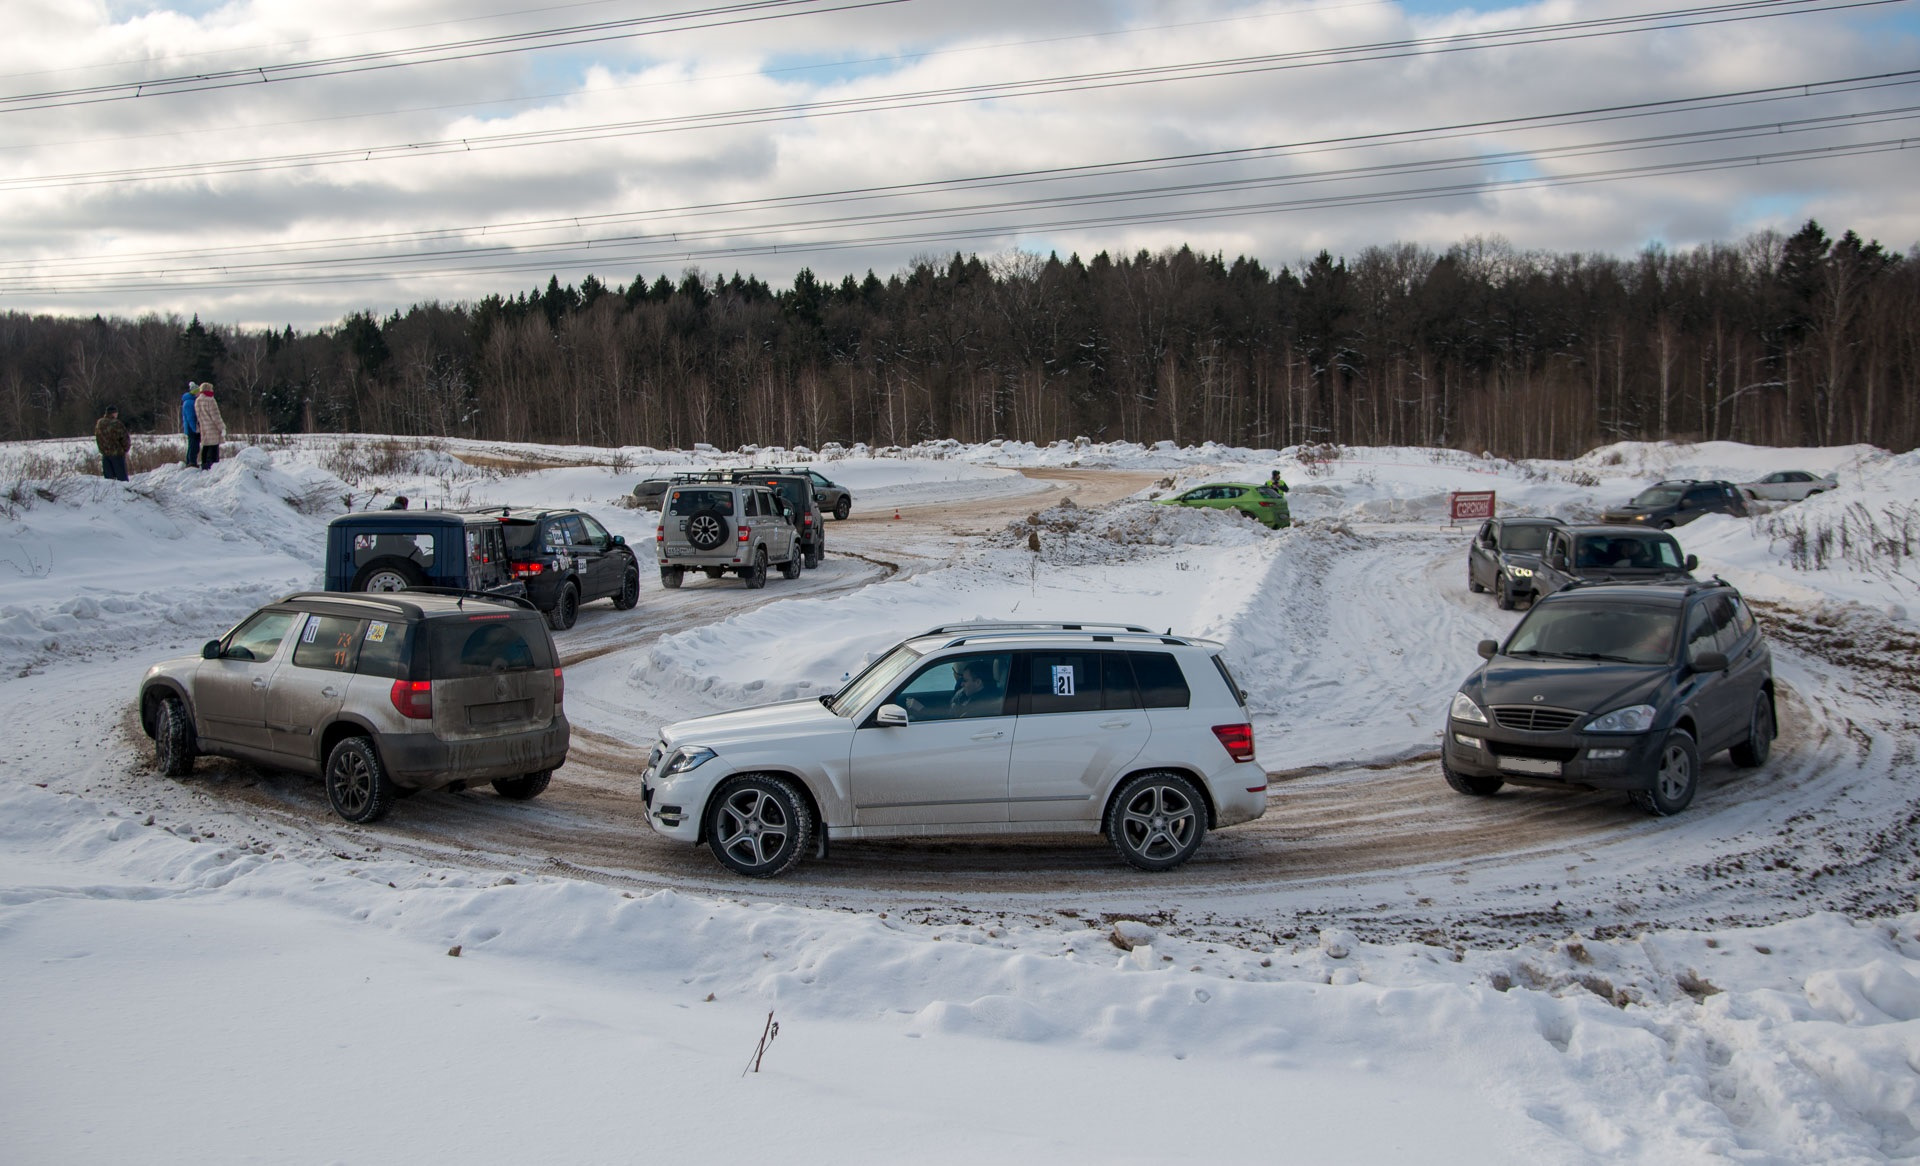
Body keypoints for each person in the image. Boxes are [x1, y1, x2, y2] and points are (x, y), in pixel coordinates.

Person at [193, 383, 226, 469]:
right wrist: (222, 427)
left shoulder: (197, 401)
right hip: (212, 427)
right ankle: (213, 466)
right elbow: (215, 416)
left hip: (203, 427)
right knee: (214, 447)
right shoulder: (210, 400)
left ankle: (204, 464)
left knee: (206, 446)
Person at [94, 404, 130, 481]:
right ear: (113, 413)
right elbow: (124, 438)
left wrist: (102, 450)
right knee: (122, 480)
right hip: (117, 454)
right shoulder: (116, 423)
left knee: (109, 481)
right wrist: (125, 450)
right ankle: (124, 493)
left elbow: (97, 438)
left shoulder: (99, 423)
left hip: (105, 455)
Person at [180, 380, 201, 467]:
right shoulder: (189, 402)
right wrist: (195, 428)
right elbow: (190, 417)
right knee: (193, 445)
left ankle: (190, 461)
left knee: (192, 444)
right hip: (191, 428)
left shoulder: (191, 401)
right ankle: (191, 462)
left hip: (191, 427)